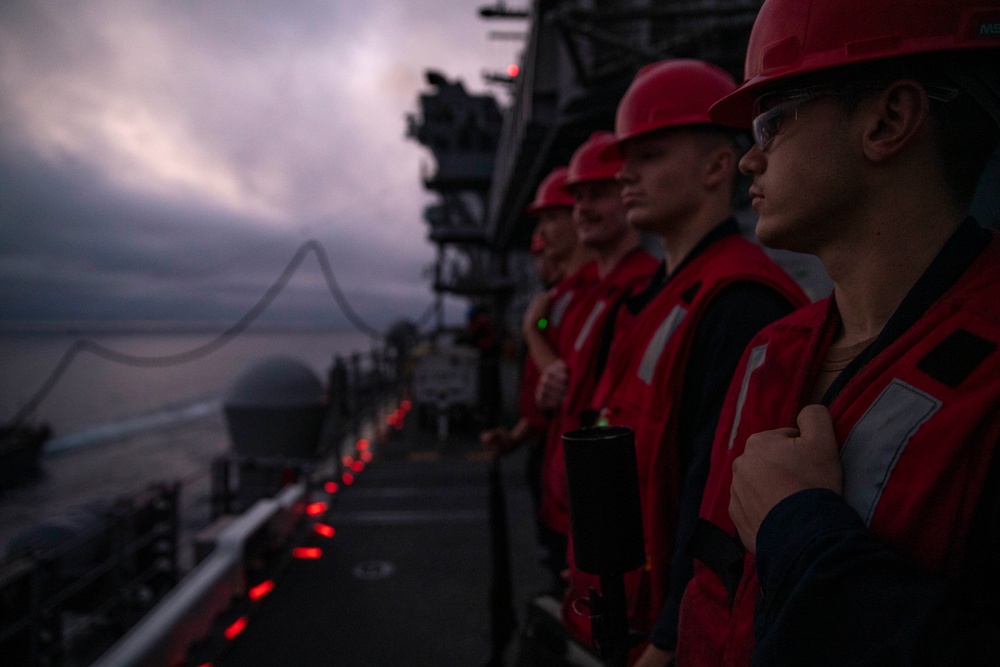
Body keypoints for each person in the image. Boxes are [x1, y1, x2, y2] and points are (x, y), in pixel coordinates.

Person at [677, 0, 1000, 665]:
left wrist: (799, 530)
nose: (748, 163)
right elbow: (715, 582)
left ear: (887, 120)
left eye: (772, 122)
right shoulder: (771, 351)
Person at [567, 59, 809, 665]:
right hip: (622, 604)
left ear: (716, 166)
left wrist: (671, 636)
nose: (624, 174)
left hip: (662, 631)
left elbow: (718, 495)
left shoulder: (738, 300)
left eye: (650, 154)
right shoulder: (664, 295)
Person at [521, 131, 659, 561]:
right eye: (578, 199)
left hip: (602, 510)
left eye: (597, 195)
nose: (583, 209)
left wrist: (532, 330)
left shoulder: (637, 289)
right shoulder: (589, 295)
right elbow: (570, 383)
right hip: (571, 494)